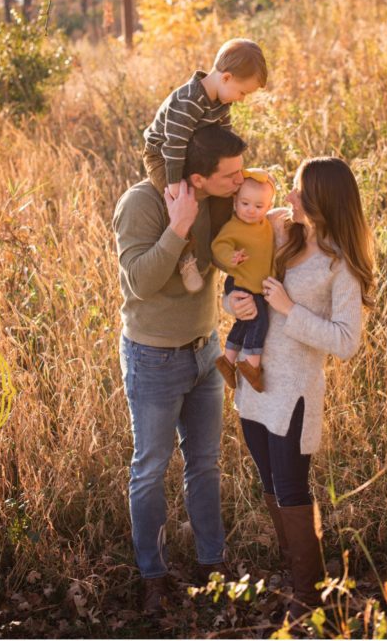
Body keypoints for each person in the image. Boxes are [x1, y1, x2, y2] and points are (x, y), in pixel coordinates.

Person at [228, 157, 374, 613]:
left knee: (292, 488)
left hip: (294, 393)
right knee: (270, 484)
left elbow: (347, 342)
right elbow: (245, 281)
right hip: (255, 384)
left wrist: (291, 309)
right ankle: (297, 576)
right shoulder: (282, 234)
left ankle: (309, 597)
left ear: (320, 201)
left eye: (296, 191)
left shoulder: (341, 264)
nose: (287, 198)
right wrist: (233, 300)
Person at [112, 124, 247, 616]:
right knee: (150, 469)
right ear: (197, 177)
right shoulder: (140, 204)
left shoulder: (222, 199)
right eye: (229, 175)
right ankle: (153, 574)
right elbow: (141, 281)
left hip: (206, 353)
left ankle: (213, 565)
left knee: (205, 465)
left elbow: (248, 236)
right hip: (153, 359)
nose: (238, 181)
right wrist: (178, 226)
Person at [141, 38, 267, 293]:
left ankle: (221, 245)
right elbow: (173, 146)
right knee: (178, 203)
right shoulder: (187, 102)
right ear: (227, 78)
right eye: (243, 92)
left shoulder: (222, 102)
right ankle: (186, 256)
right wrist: (176, 184)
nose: (241, 99)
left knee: (224, 193)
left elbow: (226, 143)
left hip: (192, 155)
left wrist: (240, 174)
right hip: (162, 155)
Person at [211, 168, 278, 391]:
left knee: (244, 321)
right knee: (259, 320)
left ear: (268, 207)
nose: (251, 211)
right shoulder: (234, 227)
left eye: (259, 206)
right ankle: (251, 364)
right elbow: (219, 247)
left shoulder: (266, 225)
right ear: (235, 202)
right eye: (245, 204)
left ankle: (227, 360)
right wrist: (232, 257)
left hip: (256, 283)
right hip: (242, 282)